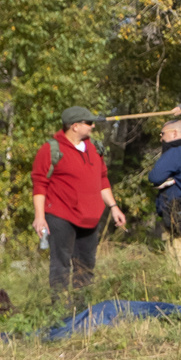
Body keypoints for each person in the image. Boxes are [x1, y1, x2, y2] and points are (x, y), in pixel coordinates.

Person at [33, 108, 127, 298]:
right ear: (75, 126)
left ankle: (81, 308)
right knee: (61, 264)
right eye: (89, 123)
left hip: (90, 216)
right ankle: (59, 310)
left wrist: (114, 207)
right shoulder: (51, 149)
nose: (93, 126)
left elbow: (103, 180)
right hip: (61, 215)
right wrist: (40, 217)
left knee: (85, 265)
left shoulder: (95, 149)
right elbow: (40, 184)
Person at [149, 114, 181, 281]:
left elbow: (155, 176)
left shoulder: (176, 152)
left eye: (163, 134)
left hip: (178, 213)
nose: (161, 139)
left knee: (178, 259)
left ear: (175, 134)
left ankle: (178, 298)